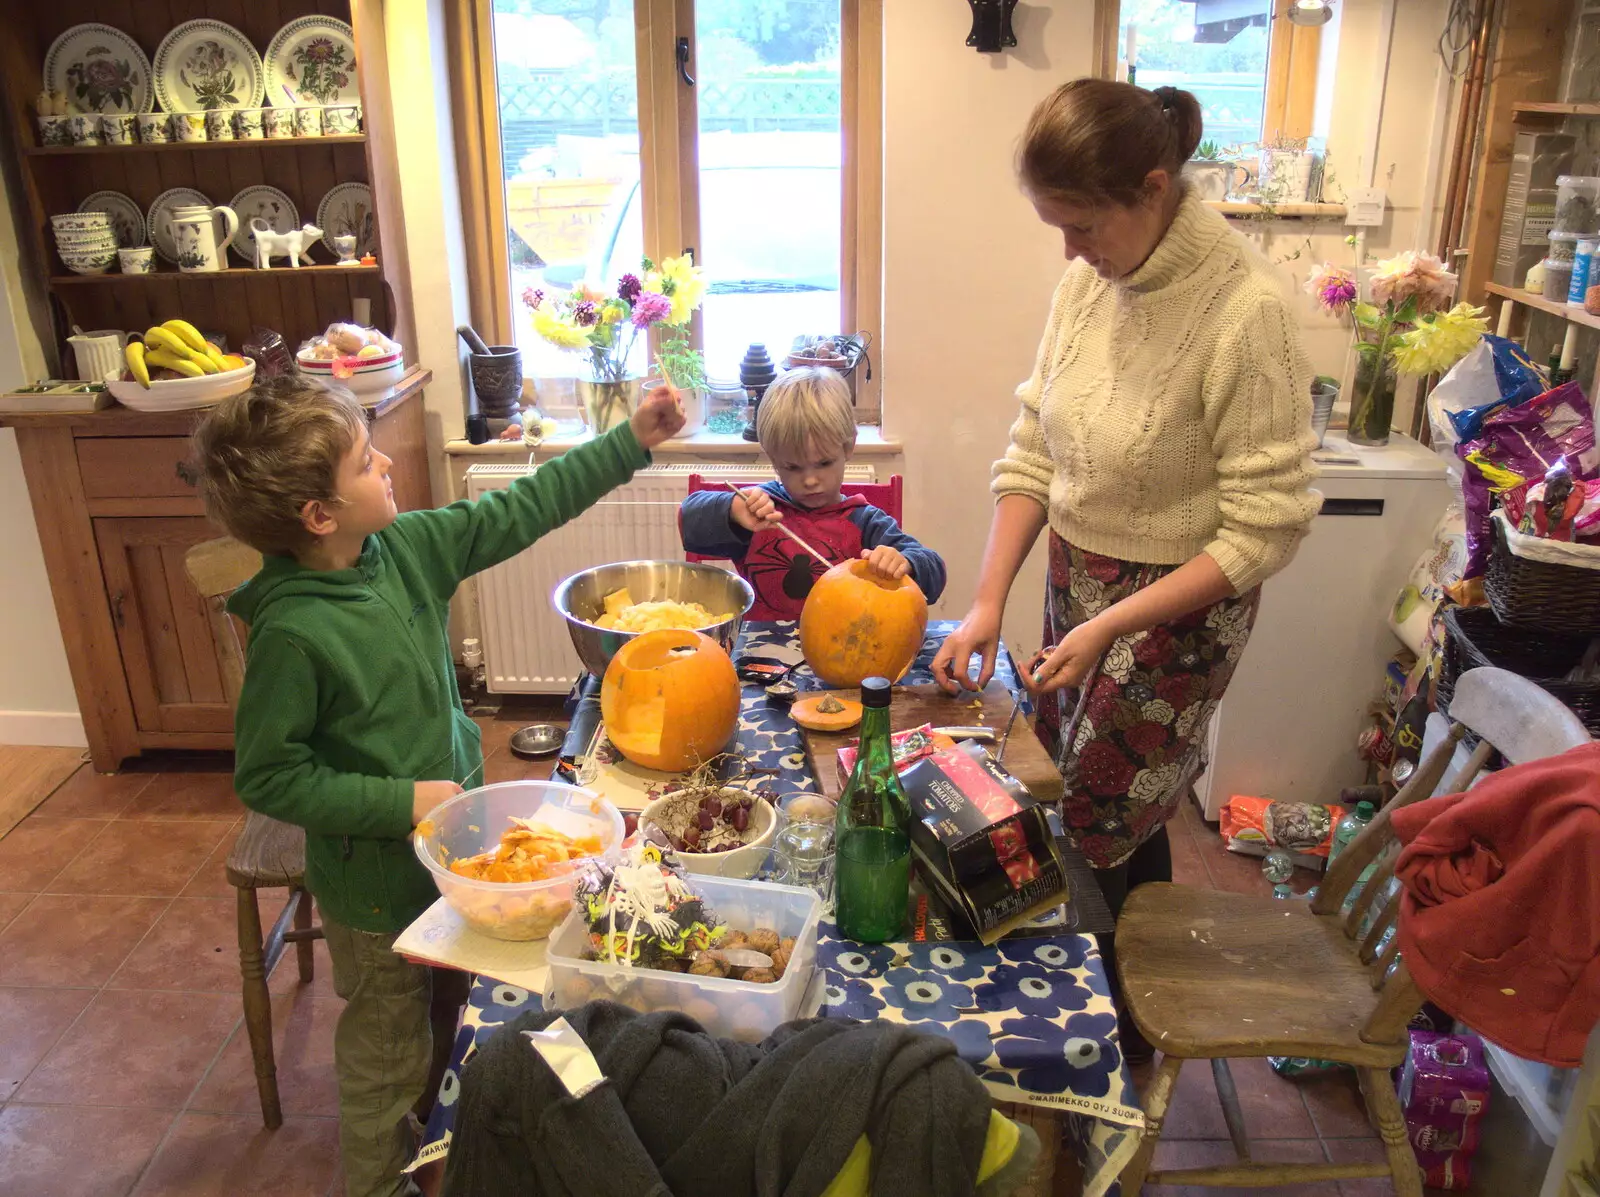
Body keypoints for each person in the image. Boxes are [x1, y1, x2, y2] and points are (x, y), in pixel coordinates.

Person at [191, 374, 685, 1197]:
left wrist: (630, 440)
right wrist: (399, 802)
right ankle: (380, 1182)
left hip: (452, 852)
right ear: (320, 515)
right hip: (375, 886)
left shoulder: (406, 547)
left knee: (445, 1006)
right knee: (387, 1041)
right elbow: (269, 775)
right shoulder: (292, 631)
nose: (384, 461)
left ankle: (438, 1125)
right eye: (362, 461)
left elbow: (520, 508)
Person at [931, 79, 1321, 1058]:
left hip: (1179, 615)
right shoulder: (1088, 283)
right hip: (1080, 582)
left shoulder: (1248, 310)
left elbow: (1265, 530)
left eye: (1081, 223)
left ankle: (1116, 1040)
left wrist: (1110, 624)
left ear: (1153, 188)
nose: (1067, 249)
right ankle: (1110, 1012)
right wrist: (986, 604)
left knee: (1102, 813)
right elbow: (1033, 448)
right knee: (1073, 793)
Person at [679, 366, 946, 618]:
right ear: (773, 459)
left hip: (847, 651)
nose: (810, 480)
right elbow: (690, 523)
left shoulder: (867, 523)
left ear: (848, 446)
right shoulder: (761, 513)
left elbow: (934, 573)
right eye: (792, 467)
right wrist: (733, 511)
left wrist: (905, 563)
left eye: (824, 463)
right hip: (762, 655)